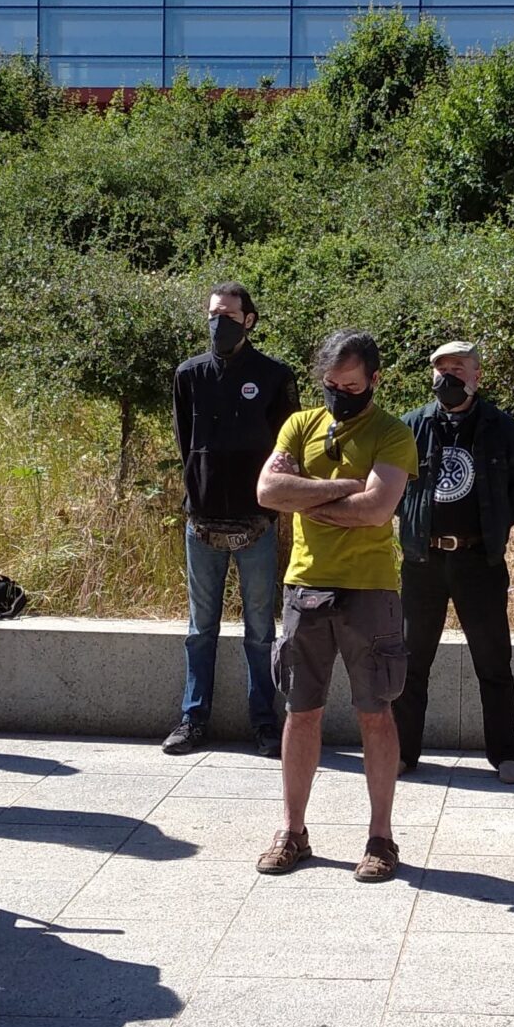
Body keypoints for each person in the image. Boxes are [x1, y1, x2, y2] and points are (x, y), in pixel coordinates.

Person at [254, 329, 417, 882]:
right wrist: (343, 487)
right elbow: (268, 493)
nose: (338, 394)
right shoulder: (299, 425)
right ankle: (292, 831)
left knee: (376, 714)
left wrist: (312, 494)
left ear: (374, 379)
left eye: (349, 385)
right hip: (304, 587)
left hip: (370, 590)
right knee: (302, 713)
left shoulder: (393, 433)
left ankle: (381, 838)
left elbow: (376, 510)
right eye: (329, 385)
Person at [394, 339, 514, 783]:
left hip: (479, 560)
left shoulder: (503, 429)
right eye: (441, 369)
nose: (449, 377)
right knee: (410, 661)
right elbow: (390, 487)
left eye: (459, 368)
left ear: (477, 375)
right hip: (423, 560)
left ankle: (505, 755)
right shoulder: (410, 428)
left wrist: (492, 526)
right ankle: (403, 753)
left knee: (493, 661)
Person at [165, 283, 297, 758]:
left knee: (260, 630)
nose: (219, 322)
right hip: (200, 523)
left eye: (228, 314)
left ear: (249, 320)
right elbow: (185, 441)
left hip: (256, 525)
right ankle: (192, 719)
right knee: (201, 629)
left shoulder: (274, 376)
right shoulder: (188, 374)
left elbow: (288, 450)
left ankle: (264, 722)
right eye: (212, 314)